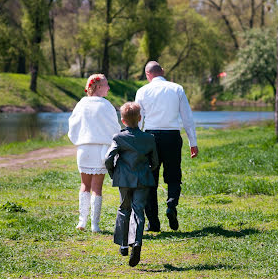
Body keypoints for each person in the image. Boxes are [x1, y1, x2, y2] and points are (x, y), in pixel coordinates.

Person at [135, 61, 198, 232]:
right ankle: (171, 204)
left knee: (150, 180)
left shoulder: (142, 91)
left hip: (150, 137)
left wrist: (135, 141)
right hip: (172, 136)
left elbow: (138, 120)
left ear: (147, 75)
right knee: (173, 175)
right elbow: (187, 118)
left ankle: (153, 223)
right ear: (162, 71)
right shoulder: (177, 88)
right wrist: (193, 143)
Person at [105, 102, 158, 267]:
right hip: (143, 179)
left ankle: (123, 245)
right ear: (140, 118)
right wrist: (149, 169)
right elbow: (155, 161)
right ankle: (137, 244)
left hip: (124, 179)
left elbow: (108, 159)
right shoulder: (149, 138)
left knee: (124, 209)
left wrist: (114, 173)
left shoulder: (118, 137)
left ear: (122, 120)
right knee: (138, 211)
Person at [68, 73, 121, 232]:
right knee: (97, 188)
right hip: (101, 149)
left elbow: (73, 127)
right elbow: (115, 129)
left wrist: (78, 140)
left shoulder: (81, 104)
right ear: (98, 87)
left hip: (84, 148)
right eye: (106, 85)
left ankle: (81, 222)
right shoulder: (106, 105)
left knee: (84, 185)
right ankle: (94, 225)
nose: (109, 88)